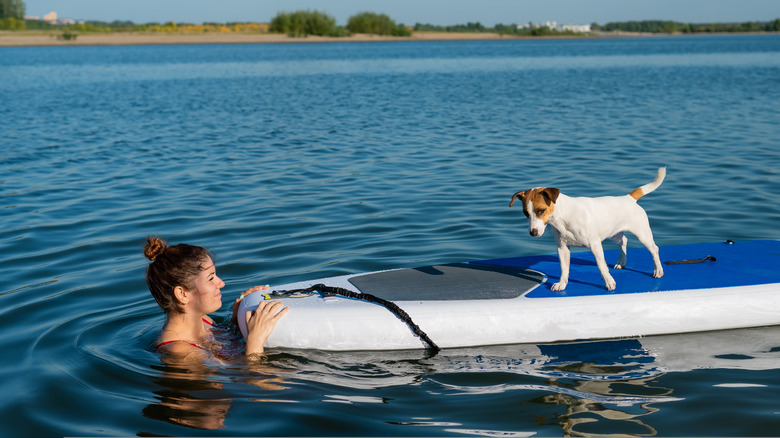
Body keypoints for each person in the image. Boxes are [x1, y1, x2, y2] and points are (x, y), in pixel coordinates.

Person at [143, 235, 289, 360]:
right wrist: (255, 342)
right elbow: (248, 387)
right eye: (211, 278)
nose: (221, 283)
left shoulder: (204, 320)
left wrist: (237, 319)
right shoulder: (179, 351)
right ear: (182, 294)